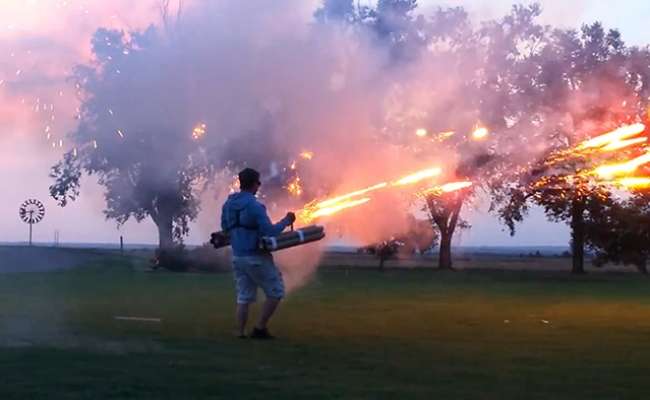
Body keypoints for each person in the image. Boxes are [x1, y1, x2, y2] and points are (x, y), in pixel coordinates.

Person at [221, 167, 296, 339]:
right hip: (256, 256)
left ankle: (239, 332)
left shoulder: (227, 205)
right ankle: (260, 328)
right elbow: (270, 231)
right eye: (258, 182)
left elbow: (225, 229)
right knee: (276, 292)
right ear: (255, 184)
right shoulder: (255, 206)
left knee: (244, 297)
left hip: (238, 257)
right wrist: (286, 221)